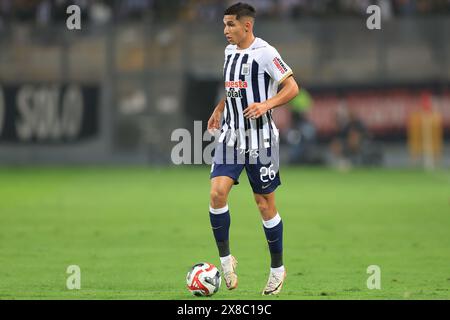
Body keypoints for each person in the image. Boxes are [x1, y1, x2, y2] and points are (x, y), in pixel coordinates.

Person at [207, 2, 299, 295]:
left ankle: (277, 270)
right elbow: (233, 87)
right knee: (217, 193)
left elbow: (292, 87)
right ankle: (226, 261)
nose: (226, 30)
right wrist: (220, 108)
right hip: (231, 137)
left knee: (264, 205)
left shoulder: (266, 53)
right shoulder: (229, 51)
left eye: (231, 24)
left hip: (261, 141)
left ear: (247, 26)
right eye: (224, 24)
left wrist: (266, 105)